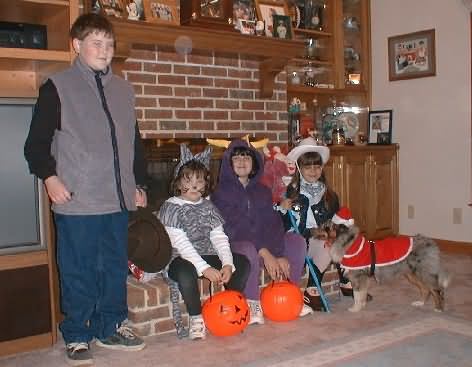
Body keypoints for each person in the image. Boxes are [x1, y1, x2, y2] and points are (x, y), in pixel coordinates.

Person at [24, 13, 147, 366]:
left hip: (118, 198)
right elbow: (36, 144)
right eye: (97, 43)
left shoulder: (125, 90)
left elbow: (134, 145)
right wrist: (50, 178)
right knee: (78, 268)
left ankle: (111, 325)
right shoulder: (57, 87)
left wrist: (138, 183)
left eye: (109, 44)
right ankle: (77, 334)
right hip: (77, 199)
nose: (105, 50)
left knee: (112, 267)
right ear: (76, 45)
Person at [211, 139, 313, 325]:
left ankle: (290, 294)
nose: (242, 161)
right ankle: (253, 302)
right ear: (228, 163)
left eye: (246, 157)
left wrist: (278, 253)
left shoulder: (262, 191)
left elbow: (271, 223)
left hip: (262, 245)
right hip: (236, 246)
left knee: (296, 240)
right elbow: (236, 228)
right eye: (236, 157)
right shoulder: (221, 193)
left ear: (254, 163)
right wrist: (265, 252)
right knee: (249, 247)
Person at [158, 144, 250, 340]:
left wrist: (227, 263)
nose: (194, 186)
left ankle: (230, 307)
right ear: (179, 181)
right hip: (180, 257)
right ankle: (196, 317)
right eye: (188, 179)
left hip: (207, 252)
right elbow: (181, 244)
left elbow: (218, 236)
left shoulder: (208, 206)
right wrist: (205, 268)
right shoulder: (171, 207)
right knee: (185, 271)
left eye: (199, 181)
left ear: (205, 183)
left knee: (242, 262)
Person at [282, 137, 349, 311]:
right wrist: (283, 209)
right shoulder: (292, 192)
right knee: (327, 242)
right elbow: (286, 225)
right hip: (301, 240)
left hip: (321, 238)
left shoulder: (328, 194)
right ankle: (319, 289)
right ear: (299, 168)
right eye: (308, 166)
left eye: (317, 166)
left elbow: (334, 220)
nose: (313, 171)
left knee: (340, 237)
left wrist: (336, 229)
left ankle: (321, 287)